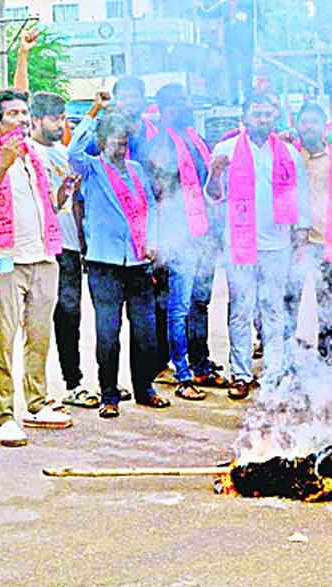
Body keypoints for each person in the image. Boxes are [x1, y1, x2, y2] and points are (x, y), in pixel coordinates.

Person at [0, 88, 71, 445]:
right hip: (3, 261)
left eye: (25, 113)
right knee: (2, 340)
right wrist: (3, 165)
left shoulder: (34, 155)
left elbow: (45, 208)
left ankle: (37, 403)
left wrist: (63, 194)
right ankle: (4, 415)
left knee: (40, 337)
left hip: (42, 257)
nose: (23, 120)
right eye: (13, 114)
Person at [206, 92, 311, 399]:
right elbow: (213, 196)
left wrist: (301, 235)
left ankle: (274, 373)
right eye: (257, 114)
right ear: (245, 116)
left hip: (277, 244)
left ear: (274, 116)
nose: (262, 119)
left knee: (273, 308)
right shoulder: (225, 150)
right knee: (240, 309)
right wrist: (216, 172)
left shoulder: (289, 153)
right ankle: (240, 374)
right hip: (239, 244)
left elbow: (300, 196)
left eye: (267, 114)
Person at [69, 103, 169, 418]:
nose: (120, 147)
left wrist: (153, 240)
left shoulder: (137, 170)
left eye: (124, 142)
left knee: (145, 330)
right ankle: (108, 395)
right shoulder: (91, 168)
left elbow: (151, 208)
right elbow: (72, 150)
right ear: (101, 142)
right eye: (114, 141)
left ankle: (144, 388)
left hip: (138, 263)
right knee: (108, 332)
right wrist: (94, 112)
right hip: (104, 263)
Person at [144, 83, 220, 402]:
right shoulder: (160, 143)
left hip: (203, 232)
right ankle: (180, 371)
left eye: (185, 101)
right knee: (177, 307)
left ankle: (200, 361)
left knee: (199, 302)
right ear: (163, 109)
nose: (183, 107)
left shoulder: (195, 138)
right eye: (176, 104)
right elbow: (158, 191)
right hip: (177, 235)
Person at [27, 90, 95, 411]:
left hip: (69, 247)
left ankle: (74, 383)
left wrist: (82, 242)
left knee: (71, 316)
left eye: (63, 118)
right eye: (54, 118)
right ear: (35, 119)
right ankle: (36, 395)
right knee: (39, 323)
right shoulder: (29, 155)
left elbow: (74, 203)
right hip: (42, 249)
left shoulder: (64, 152)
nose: (60, 124)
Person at [290, 102, 332, 359]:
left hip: (328, 240)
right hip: (295, 243)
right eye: (304, 122)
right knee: (289, 302)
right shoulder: (288, 155)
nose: (309, 126)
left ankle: (329, 358)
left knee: (331, 304)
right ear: (296, 125)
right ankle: (290, 360)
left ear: (325, 126)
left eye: (314, 121)